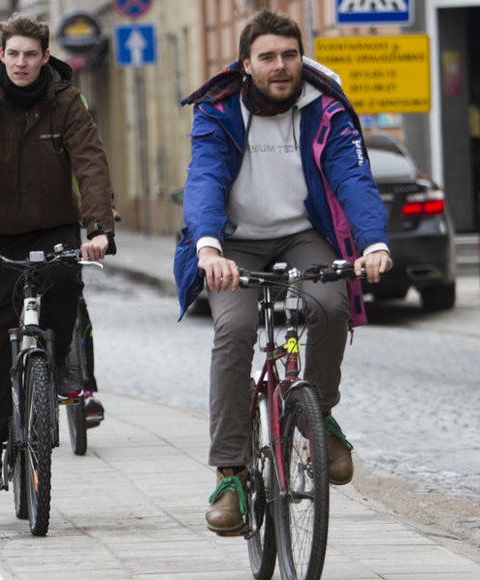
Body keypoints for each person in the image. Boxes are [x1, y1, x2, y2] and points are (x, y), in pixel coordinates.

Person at [174, 10, 393, 534]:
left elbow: (352, 177)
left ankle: (319, 416)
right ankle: (230, 473)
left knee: (330, 301)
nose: (281, 66)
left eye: (289, 55)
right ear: (246, 64)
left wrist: (374, 243)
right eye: (267, 57)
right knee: (233, 328)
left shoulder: (325, 105)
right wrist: (207, 249)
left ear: (302, 57)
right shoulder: (219, 108)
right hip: (233, 243)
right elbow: (204, 177)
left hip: (302, 234)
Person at [0, 13, 116, 488]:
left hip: (52, 226)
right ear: (2, 56)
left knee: (64, 281)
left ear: (45, 57)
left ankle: (58, 365)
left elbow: (91, 162)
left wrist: (99, 228)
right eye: (13, 54)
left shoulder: (65, 101)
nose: (22, 63)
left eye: (31, 55)